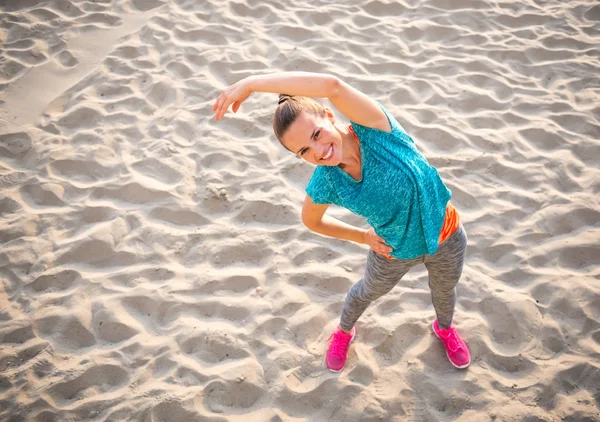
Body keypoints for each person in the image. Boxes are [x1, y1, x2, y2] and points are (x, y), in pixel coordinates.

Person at [212, 72, 470, 372]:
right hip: (392, 250)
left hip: (448, 235)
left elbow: (330, 85)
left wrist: (251, 84)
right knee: (366, 292)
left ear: (327, 114)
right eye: (304, 151)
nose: (318, 151)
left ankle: (445, 329)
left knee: (444, 289)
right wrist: (362, 237)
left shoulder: (375, 128)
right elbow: (311, 221)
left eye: (316, 135)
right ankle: (344, 331)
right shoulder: (327, 181)